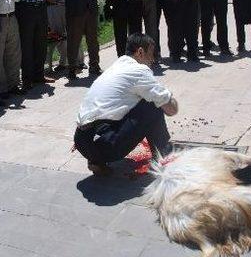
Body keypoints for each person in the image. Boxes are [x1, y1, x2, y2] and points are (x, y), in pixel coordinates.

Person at [74, 33, 178, 175]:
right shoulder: (139, 70)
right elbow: (171, 109)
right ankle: (162, 153)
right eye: (151, 54)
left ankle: (96, 160)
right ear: (140, 52)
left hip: (82, 141)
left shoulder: (115, 67)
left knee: (138, 101)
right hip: (105, 144)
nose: (153, 60)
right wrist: (168, 96)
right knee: (152, 103)